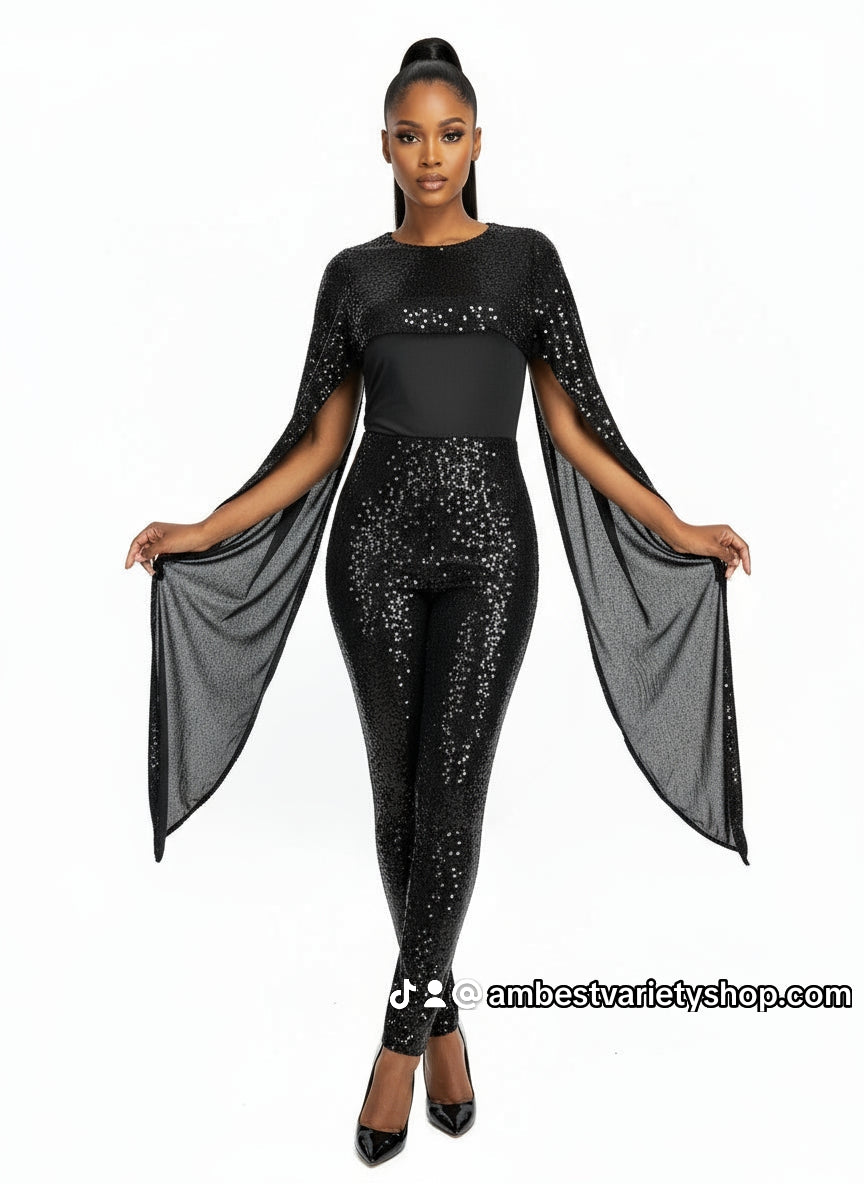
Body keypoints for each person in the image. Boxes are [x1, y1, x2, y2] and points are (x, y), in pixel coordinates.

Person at [125, 37, 752, 1167]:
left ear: (478, 142)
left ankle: (398, 1043)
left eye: (450, 134)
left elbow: (574, 427)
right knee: (399, 806)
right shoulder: (354, 278)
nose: (430, 156)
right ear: (383, 146)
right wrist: (205, 529)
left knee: (452, 790)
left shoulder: (525, 263)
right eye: (410, 136)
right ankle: (447, 1016)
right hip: (369, 553)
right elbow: (319, 441)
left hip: (493, 558)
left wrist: (676, 526)